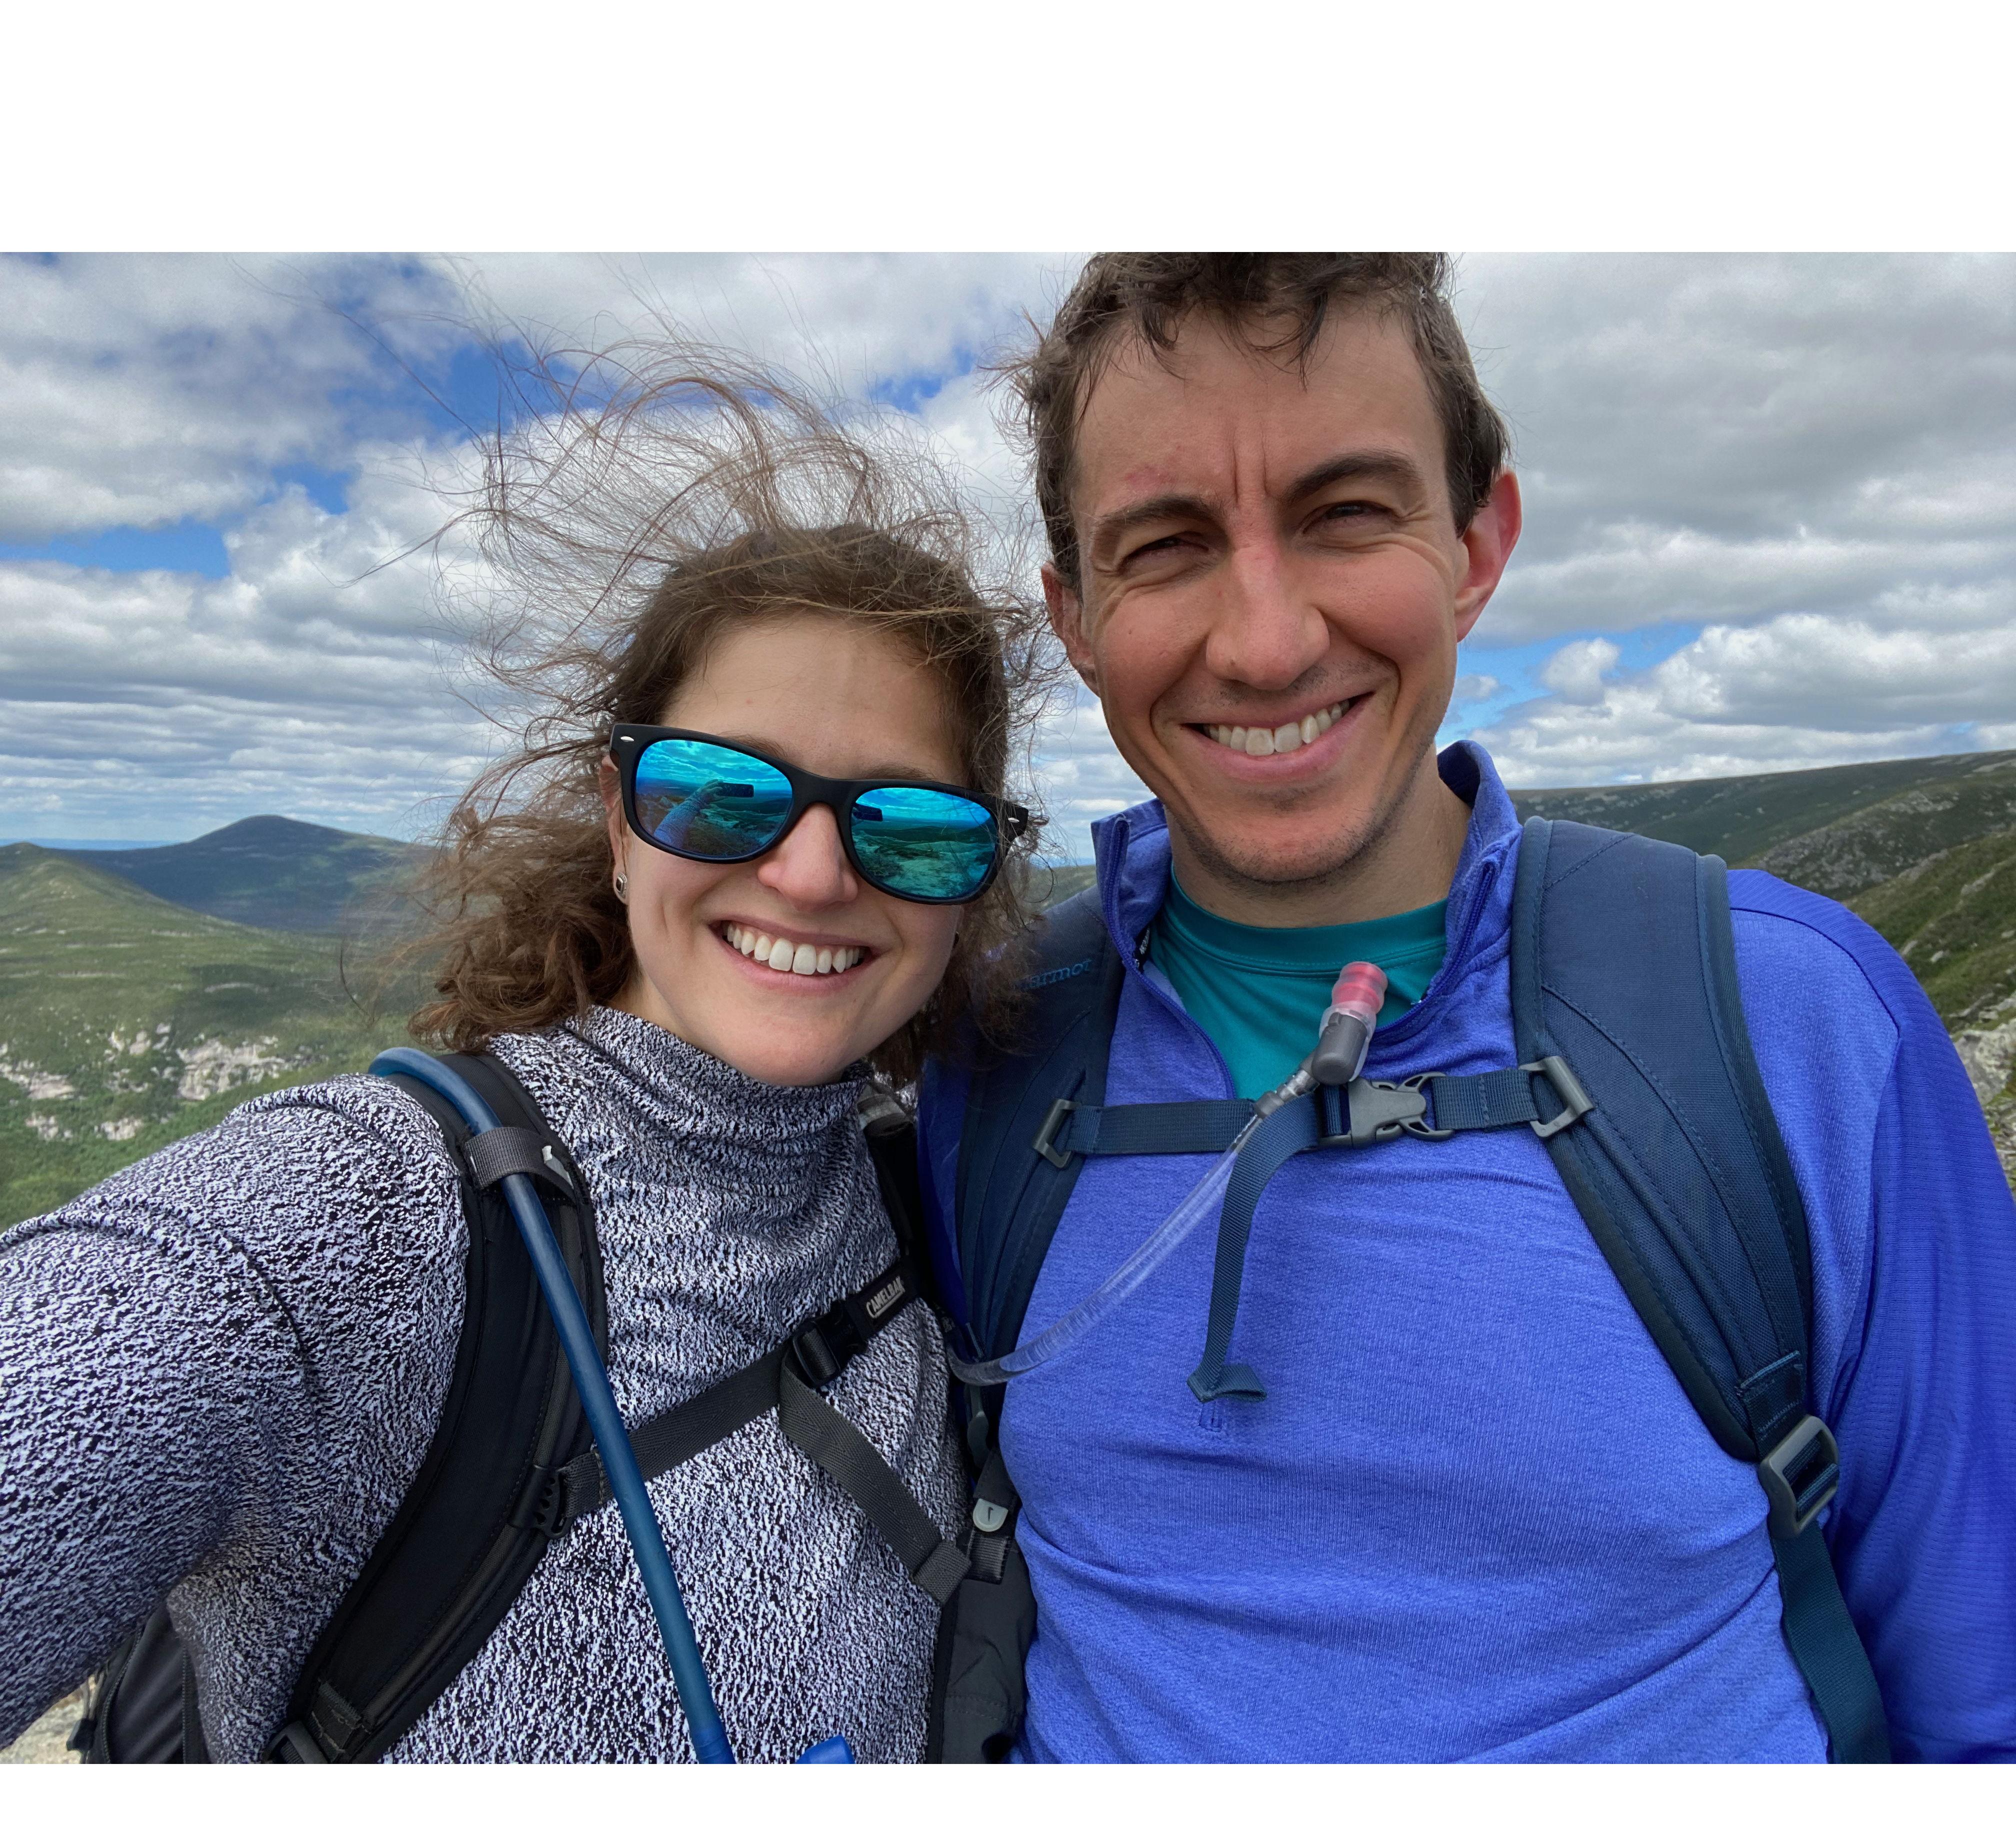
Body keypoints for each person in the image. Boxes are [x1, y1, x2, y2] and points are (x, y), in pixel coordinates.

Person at [918, 254, 2016, 1762]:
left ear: (1479, 541)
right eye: (1166, 546)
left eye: (1346, 514)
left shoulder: (1799, 1025)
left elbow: (1983, 1693)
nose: (1265, 640)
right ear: (1077, 615)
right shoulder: (993, 1039)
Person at [0, 348, 1050, 1763]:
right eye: (721, 795)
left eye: (911, 827)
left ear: (972, 883)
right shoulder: (356, 1227)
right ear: (620, 818)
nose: (808, 875)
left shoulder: (913, 1203)